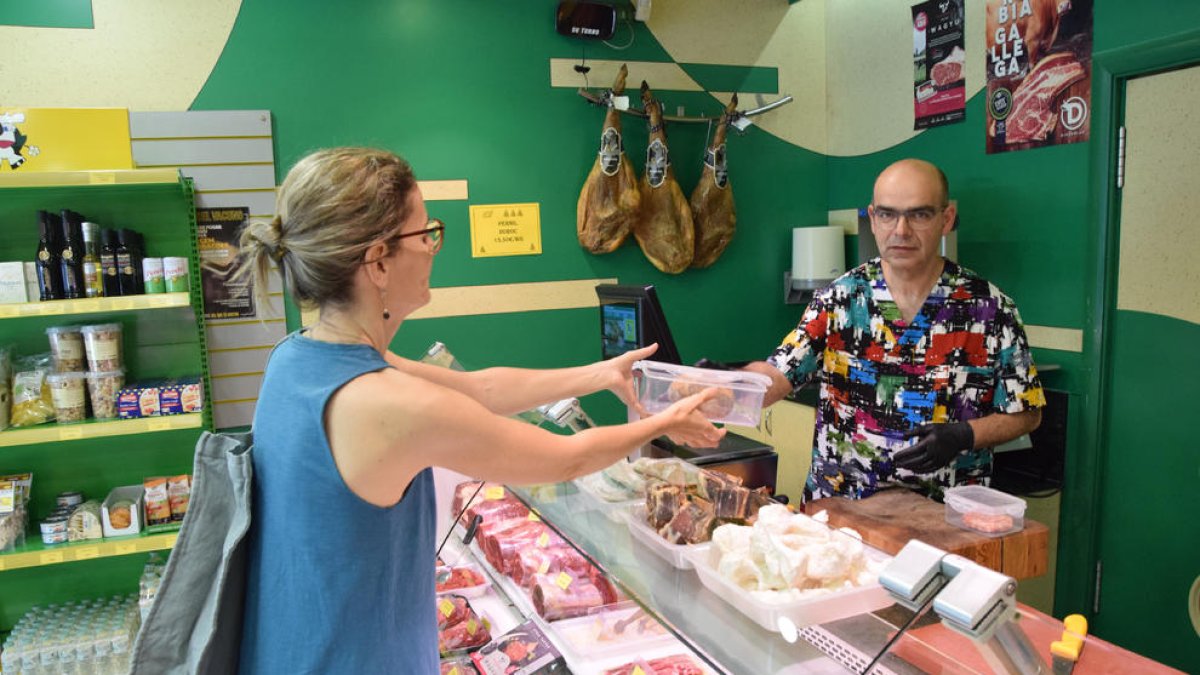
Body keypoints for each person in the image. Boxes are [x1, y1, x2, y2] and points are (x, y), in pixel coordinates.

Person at [233, 147, 725, 673]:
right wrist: (665, 421)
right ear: (378, 261)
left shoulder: (299, 358)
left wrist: (601, 374)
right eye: (425, 234)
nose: (432, 248)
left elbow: (480, 390)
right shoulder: (387, 403)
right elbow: (565, 459)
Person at [745, 159, 1044, 501]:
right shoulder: (840, 299)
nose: (900, 230)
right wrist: (726, 384)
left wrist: (964, 435)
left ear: (946, 219)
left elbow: (1027, 413)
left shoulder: (989, 309)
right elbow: (779, 374)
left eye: (919, 215)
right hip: (843, 513)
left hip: (944, 515)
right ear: (873, 219)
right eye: (887, 215)